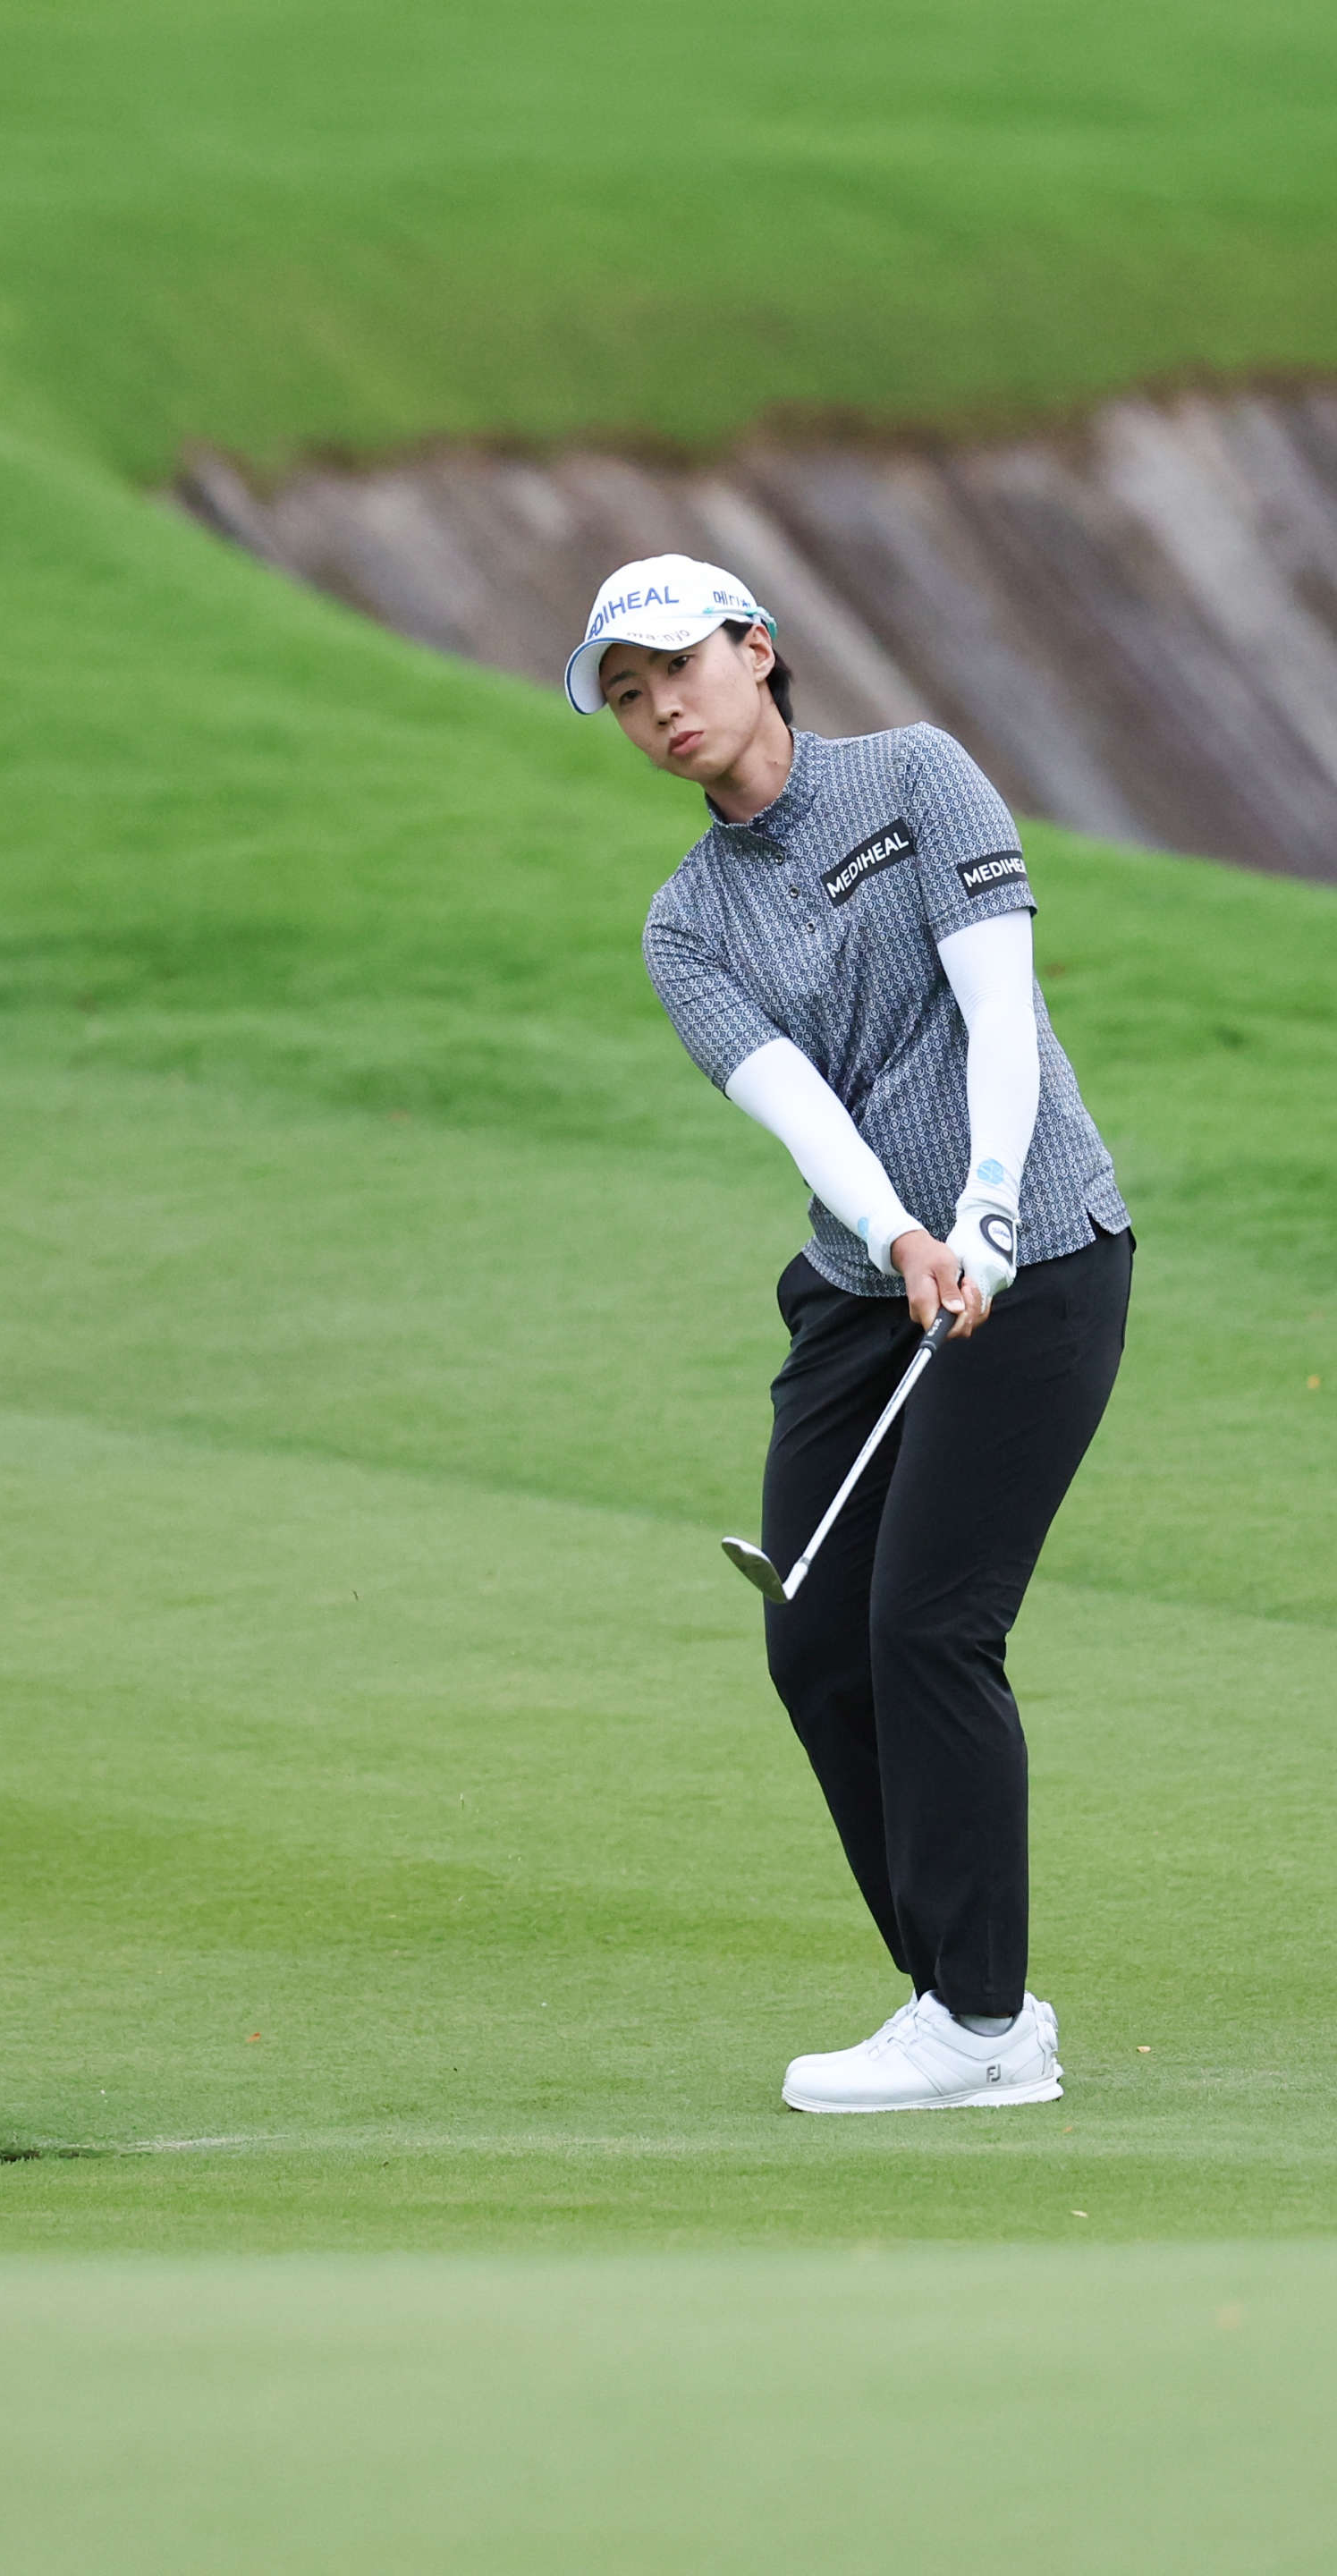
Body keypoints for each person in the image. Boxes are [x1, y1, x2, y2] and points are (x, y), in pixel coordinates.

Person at [565, 555, 1132, 2114]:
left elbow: (1000, 1009)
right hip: (865, 1282)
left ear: (758, 648)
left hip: (1043, 1253)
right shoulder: (685, 926)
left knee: (928, 1626)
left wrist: (991, 1202)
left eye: (679, 667)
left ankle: (979, 2021)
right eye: (628, 696)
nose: (661, 710)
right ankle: (964, 2002)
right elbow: (803, 1111)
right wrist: (902, 1236)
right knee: (815, 1639)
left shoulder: (915, 777)